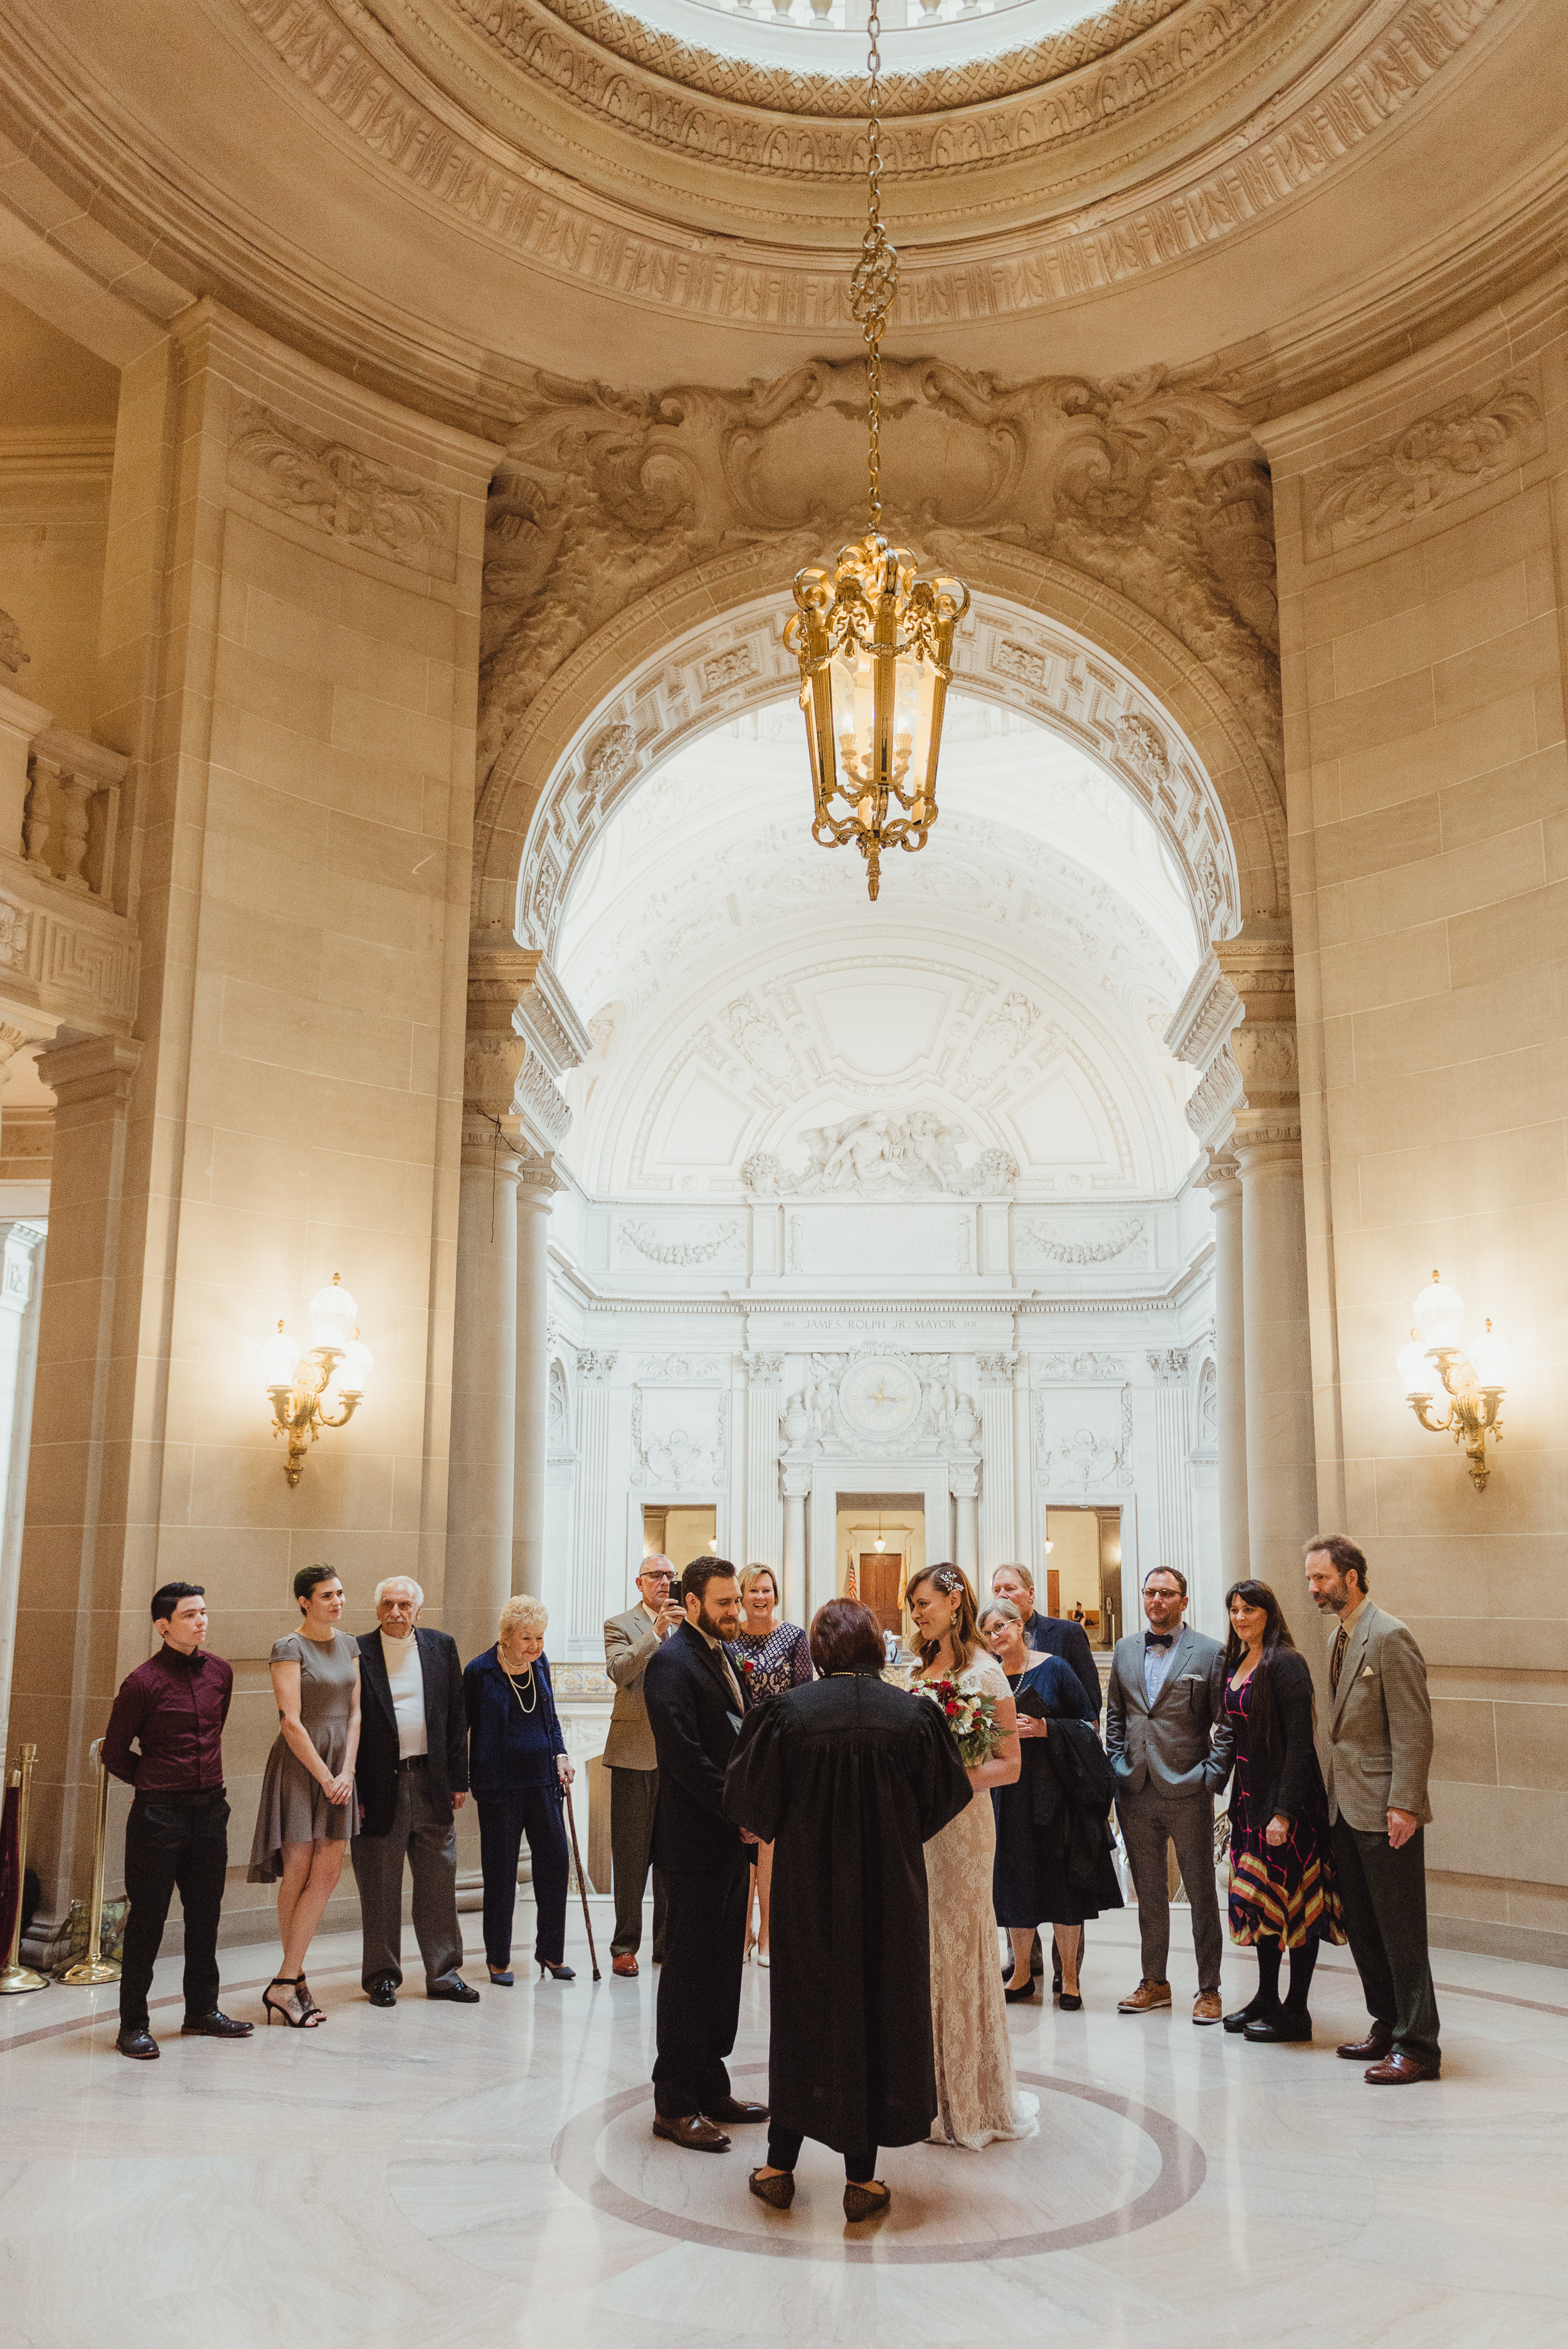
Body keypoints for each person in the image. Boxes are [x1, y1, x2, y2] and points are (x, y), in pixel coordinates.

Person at [724, 1598, 972, 2220]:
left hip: (809, 1892)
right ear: (874, 1647)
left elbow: (750, 1803)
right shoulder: (913, 1715)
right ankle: (861, 2181)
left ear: (821, 1651)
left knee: (806, 2013)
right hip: (892, 1892)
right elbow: (944, 1798)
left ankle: (780, 2165)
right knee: (878, 2012)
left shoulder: (785, 1714)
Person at [906, 1562, 1037, 2150]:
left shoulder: (986, 1674)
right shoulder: (918, 1667)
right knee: (922, 1948)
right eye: (912, 1606)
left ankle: (970, 2096)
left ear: (955, 1603)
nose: (917, 1614)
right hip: (917, 1828)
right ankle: (921, 2089)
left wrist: (950, 1776)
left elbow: (1009, 1764)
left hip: (962, 1827)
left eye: (924, 1603)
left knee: (961, 1947)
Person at [643, 1557, 769, 2153]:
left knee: (723, 1966)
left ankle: (711, 2083)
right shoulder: (670, 1662)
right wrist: (736, 1811)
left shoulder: (720, 1653)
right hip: (693, 1840)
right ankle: (673, 2101)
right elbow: (685, 1755)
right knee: (689, 1973)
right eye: (723, 1603)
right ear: (691, 1603)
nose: (734, 1613)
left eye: (736, 1602)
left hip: (725, 1840)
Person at [1306, 1535, 1441, 2083]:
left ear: (1352, 1576)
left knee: (1401, 1930)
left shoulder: (1390, 1636)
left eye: (1321, 1578)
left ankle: (1419, 2046)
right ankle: (1386, 2023)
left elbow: (1414, 1728)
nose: (1313, 1587)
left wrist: (1405, 1803)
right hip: (1346, 1808)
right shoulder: (1342, 1635)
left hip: (1387, 1812)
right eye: (1311, 1578)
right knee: (1364, 1927)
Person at [102, 1583, 253, 2060]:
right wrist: (151, 1780)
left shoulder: (221, 1673)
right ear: (163, 1625)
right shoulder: (142, 1682)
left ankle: (202, 2011)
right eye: (190, 1614)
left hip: (210, 1808)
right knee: (147, 1919)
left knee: (205, 1914)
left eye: (204, 1612)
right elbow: (113, 1751)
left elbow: (216, 1727)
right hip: (158, 1813)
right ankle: (133, 2025)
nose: (201, 1621)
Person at [1206, 1579, 1346, 2042]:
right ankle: (1267, 1995)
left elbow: (1302, 1747)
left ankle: (1297, 2009)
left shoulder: (1286, 1662)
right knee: (1260, 1901)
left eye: (1250, 1608)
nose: (1240, 1617)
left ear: (1269, 1611)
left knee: (1296, 1905)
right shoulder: (1238, 1659)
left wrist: (1284, 1812)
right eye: (1234, 1609)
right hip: (1248, 1802)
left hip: (1288, 1805)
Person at [980, 1598, 1118, 2010]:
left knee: (1062, 1887)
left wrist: (1045, 1728)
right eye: (988, 1632)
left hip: (1056, 1794)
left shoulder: (1055, 1667)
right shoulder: (989, 1676)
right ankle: (1021, 1974)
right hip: (1010, 1794)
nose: (995, 1636)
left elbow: (1088, 1722)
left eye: (1001, 1627)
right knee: (1016, 1887)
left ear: (1019, 1625)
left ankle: (1071, 1980)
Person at [1104, 1564, 1227, 2025]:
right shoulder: (1125, 1648)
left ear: (1183, 1600)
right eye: (1150, 1592)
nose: (1156, 1600)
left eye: (1166, 1593)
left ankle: (1209, 1987)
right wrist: (1116, 1762)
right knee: (1150, 1893)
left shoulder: (1211, 1652)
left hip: (1189, 1789)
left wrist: (1211, 1775)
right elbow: (1115, 1713)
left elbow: (1227, 1722)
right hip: (1135, 1788)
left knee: (1200, 1892)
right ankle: (1153, 1981)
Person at [351, 1574, 475, 2009]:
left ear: (418, 1609)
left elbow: (457, 1717)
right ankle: (382, 1976)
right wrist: (356, 1788)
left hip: (432, 1781)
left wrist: (459, 1778)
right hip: (379, 1784)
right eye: (388, 1603)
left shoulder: (442, 1646)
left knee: (439, 1881)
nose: (396, 1612)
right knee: (381, 1885)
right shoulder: (358, 1650)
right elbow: (352, 1725)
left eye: (405, 1604)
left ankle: (444, 1973)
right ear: (377, 1607)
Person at [246, 1562, 361, 2027]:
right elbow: (290, 1721)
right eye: (327, 1595)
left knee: (328, 1873)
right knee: (298, 1868)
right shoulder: (288, 1647)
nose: (337, 1601)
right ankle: (290, 1981)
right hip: (302, 1765)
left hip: (341, 1766)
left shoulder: (350, 1644)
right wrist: (324, 1776)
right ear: (304, 1601)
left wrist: (347, 1770)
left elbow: (356, 1714)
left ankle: (287, 1979)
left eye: (340, 1592)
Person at [465, 1594, 575, 1985]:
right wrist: (462, 1780)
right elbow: (461, 1730)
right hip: (500, 1788)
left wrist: (560, 1754)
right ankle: (498, 1958)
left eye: (540, 1638)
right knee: (500, 1872)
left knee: (555, 1863)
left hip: (545, 1783)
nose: (534, 1646)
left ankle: (551, 1952)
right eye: (527, 1638)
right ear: (506, 1636)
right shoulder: (479, 1672)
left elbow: (551, 1718)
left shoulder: (539, 1664)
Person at [726, 1563, 812, 1966]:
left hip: (780, 1751)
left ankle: (768, 1934)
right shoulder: (728, 1640)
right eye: (753, 1591)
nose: (760, 1597)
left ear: (775, 1594)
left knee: (770, 1843)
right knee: (738, 1843)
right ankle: (739, 1933)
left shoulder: (794, 1637)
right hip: (736, 1751)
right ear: (741, 1597)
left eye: (767, 1590)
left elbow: (803, 1694)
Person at [603, 1554, 682, 1977]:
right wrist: (655, 1633)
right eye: (656, 1575)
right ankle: (624, 1945)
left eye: (670, 1575)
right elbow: (621, 1671)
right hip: (633, 1753)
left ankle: (666, 1942)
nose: (665, 1581)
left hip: (676, 1757)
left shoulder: (690, 1627)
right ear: (640, 1582)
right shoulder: (620, 1624)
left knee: (671, 1857)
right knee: (632, 1857)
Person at [990, 1564, 1101, 1717]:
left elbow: (1090, 1706)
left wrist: (1047, 1729)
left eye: (1010, 1589)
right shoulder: (989, 1642)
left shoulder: (1068, 1633)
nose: (1002, 1595)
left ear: (1031, 1594)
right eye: (997, 1590)